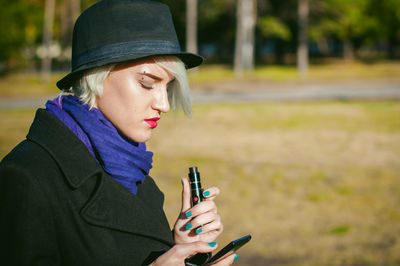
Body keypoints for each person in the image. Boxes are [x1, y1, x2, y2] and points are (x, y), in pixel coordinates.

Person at [0, 0, 238, 265]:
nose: (165, 105)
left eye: (168, 87)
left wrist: (178, 244)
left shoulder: (129, 166)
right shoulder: (25, 177)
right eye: (147, 83)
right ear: (94, 76)